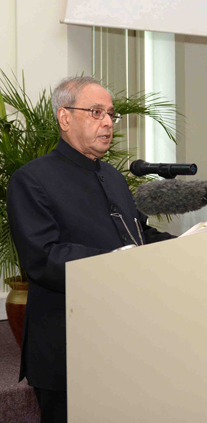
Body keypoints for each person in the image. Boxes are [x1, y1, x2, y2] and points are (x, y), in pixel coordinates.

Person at [7, 76, 174, 423]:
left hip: (124, 337)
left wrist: (188, 244)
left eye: (111, 114)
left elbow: (137, 234)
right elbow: (44, 258)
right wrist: (116, 262)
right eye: (96, 112)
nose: (109, 122)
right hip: (68, 347)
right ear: (64, 118)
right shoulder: (31, 179)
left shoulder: (112, 177)